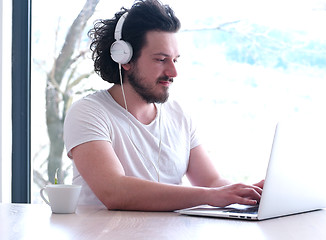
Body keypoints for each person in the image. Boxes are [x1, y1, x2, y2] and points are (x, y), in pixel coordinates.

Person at [63, 0, 263, 211]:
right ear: (125, 58)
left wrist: (249, 193)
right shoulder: (88, 113)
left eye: (175, 60)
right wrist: (210, 196)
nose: (173, 72)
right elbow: (114, 191)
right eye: (161, 59)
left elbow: (212, 183)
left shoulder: (179, 115)